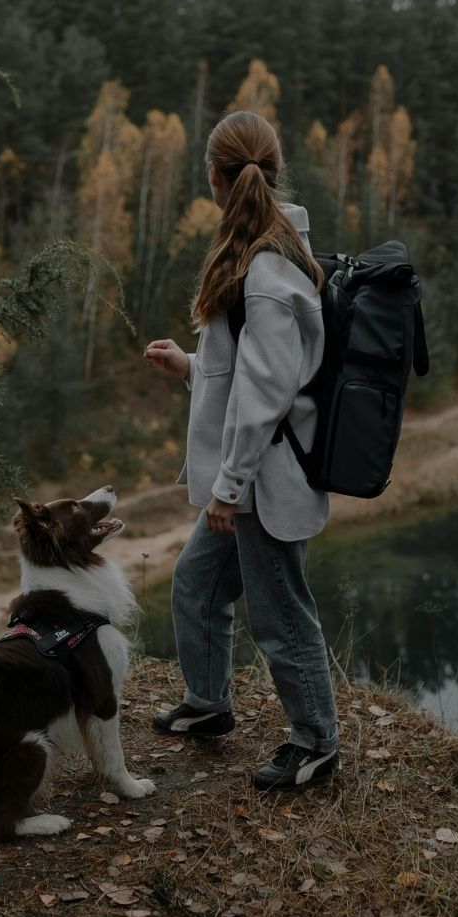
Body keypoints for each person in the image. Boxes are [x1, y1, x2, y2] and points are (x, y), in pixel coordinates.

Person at [144, 110, 339, 791]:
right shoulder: (257, 251)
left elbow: (268, 393)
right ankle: (208, 704)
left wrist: (228, 488)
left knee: (281, 612)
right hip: (248, 476)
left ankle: (315, 741)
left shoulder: (266, 269)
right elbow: (245, 374)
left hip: (262, 479)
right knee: (197, 586)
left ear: (216, 177)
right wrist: (190, 366)